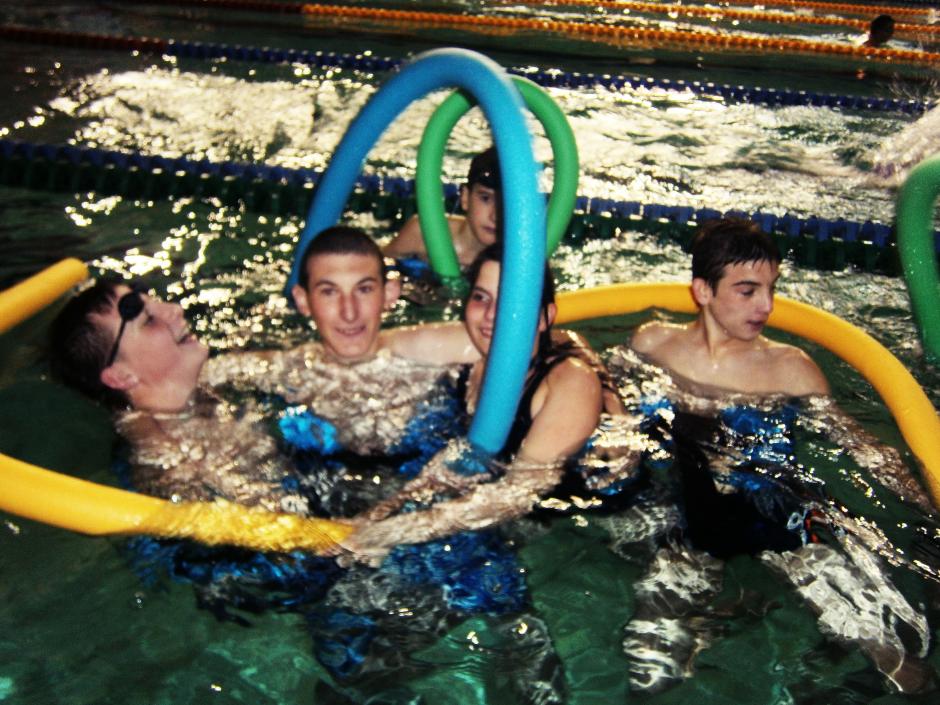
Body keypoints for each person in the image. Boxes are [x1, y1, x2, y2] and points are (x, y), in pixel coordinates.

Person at [609, 217, 934, 693]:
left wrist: (927, 499)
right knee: (649, 667)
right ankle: (733, 609)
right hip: (685, 511)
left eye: (771, 288)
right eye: (747, 291)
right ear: (703, 291)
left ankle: (745, 608)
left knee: (895, 662)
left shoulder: (789, 368)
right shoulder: (653, 343)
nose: (766, 306)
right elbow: (607, 392)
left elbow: (861, 446)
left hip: (774, 511)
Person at [338, 243, 605, 560]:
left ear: (544, 318)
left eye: (508, 300)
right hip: (480, 504)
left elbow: (517, 494)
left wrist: (389, 533)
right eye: (481, 298)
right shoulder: (473, 361)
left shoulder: (570, 383)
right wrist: (373, 517)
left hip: (570, 532)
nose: (491, 315)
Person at [384, 146, 500, 267]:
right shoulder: (423, 233)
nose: (495, 216)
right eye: (485, 198)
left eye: (504, 206)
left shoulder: (510, 264)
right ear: (465, 197)